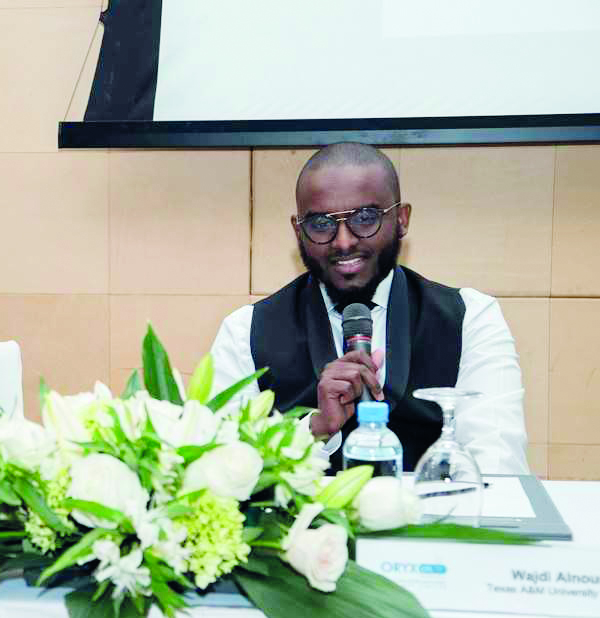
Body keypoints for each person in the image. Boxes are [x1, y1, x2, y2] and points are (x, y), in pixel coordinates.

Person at [209, 142, 527, 474]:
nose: (343, 241)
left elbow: (498, 465)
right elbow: (217, 471)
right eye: (321, 223)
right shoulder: (246, 330)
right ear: (298, 231)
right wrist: (314, 430)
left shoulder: (470, 318)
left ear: (402, 219)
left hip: (434, 521)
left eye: (365, 218)